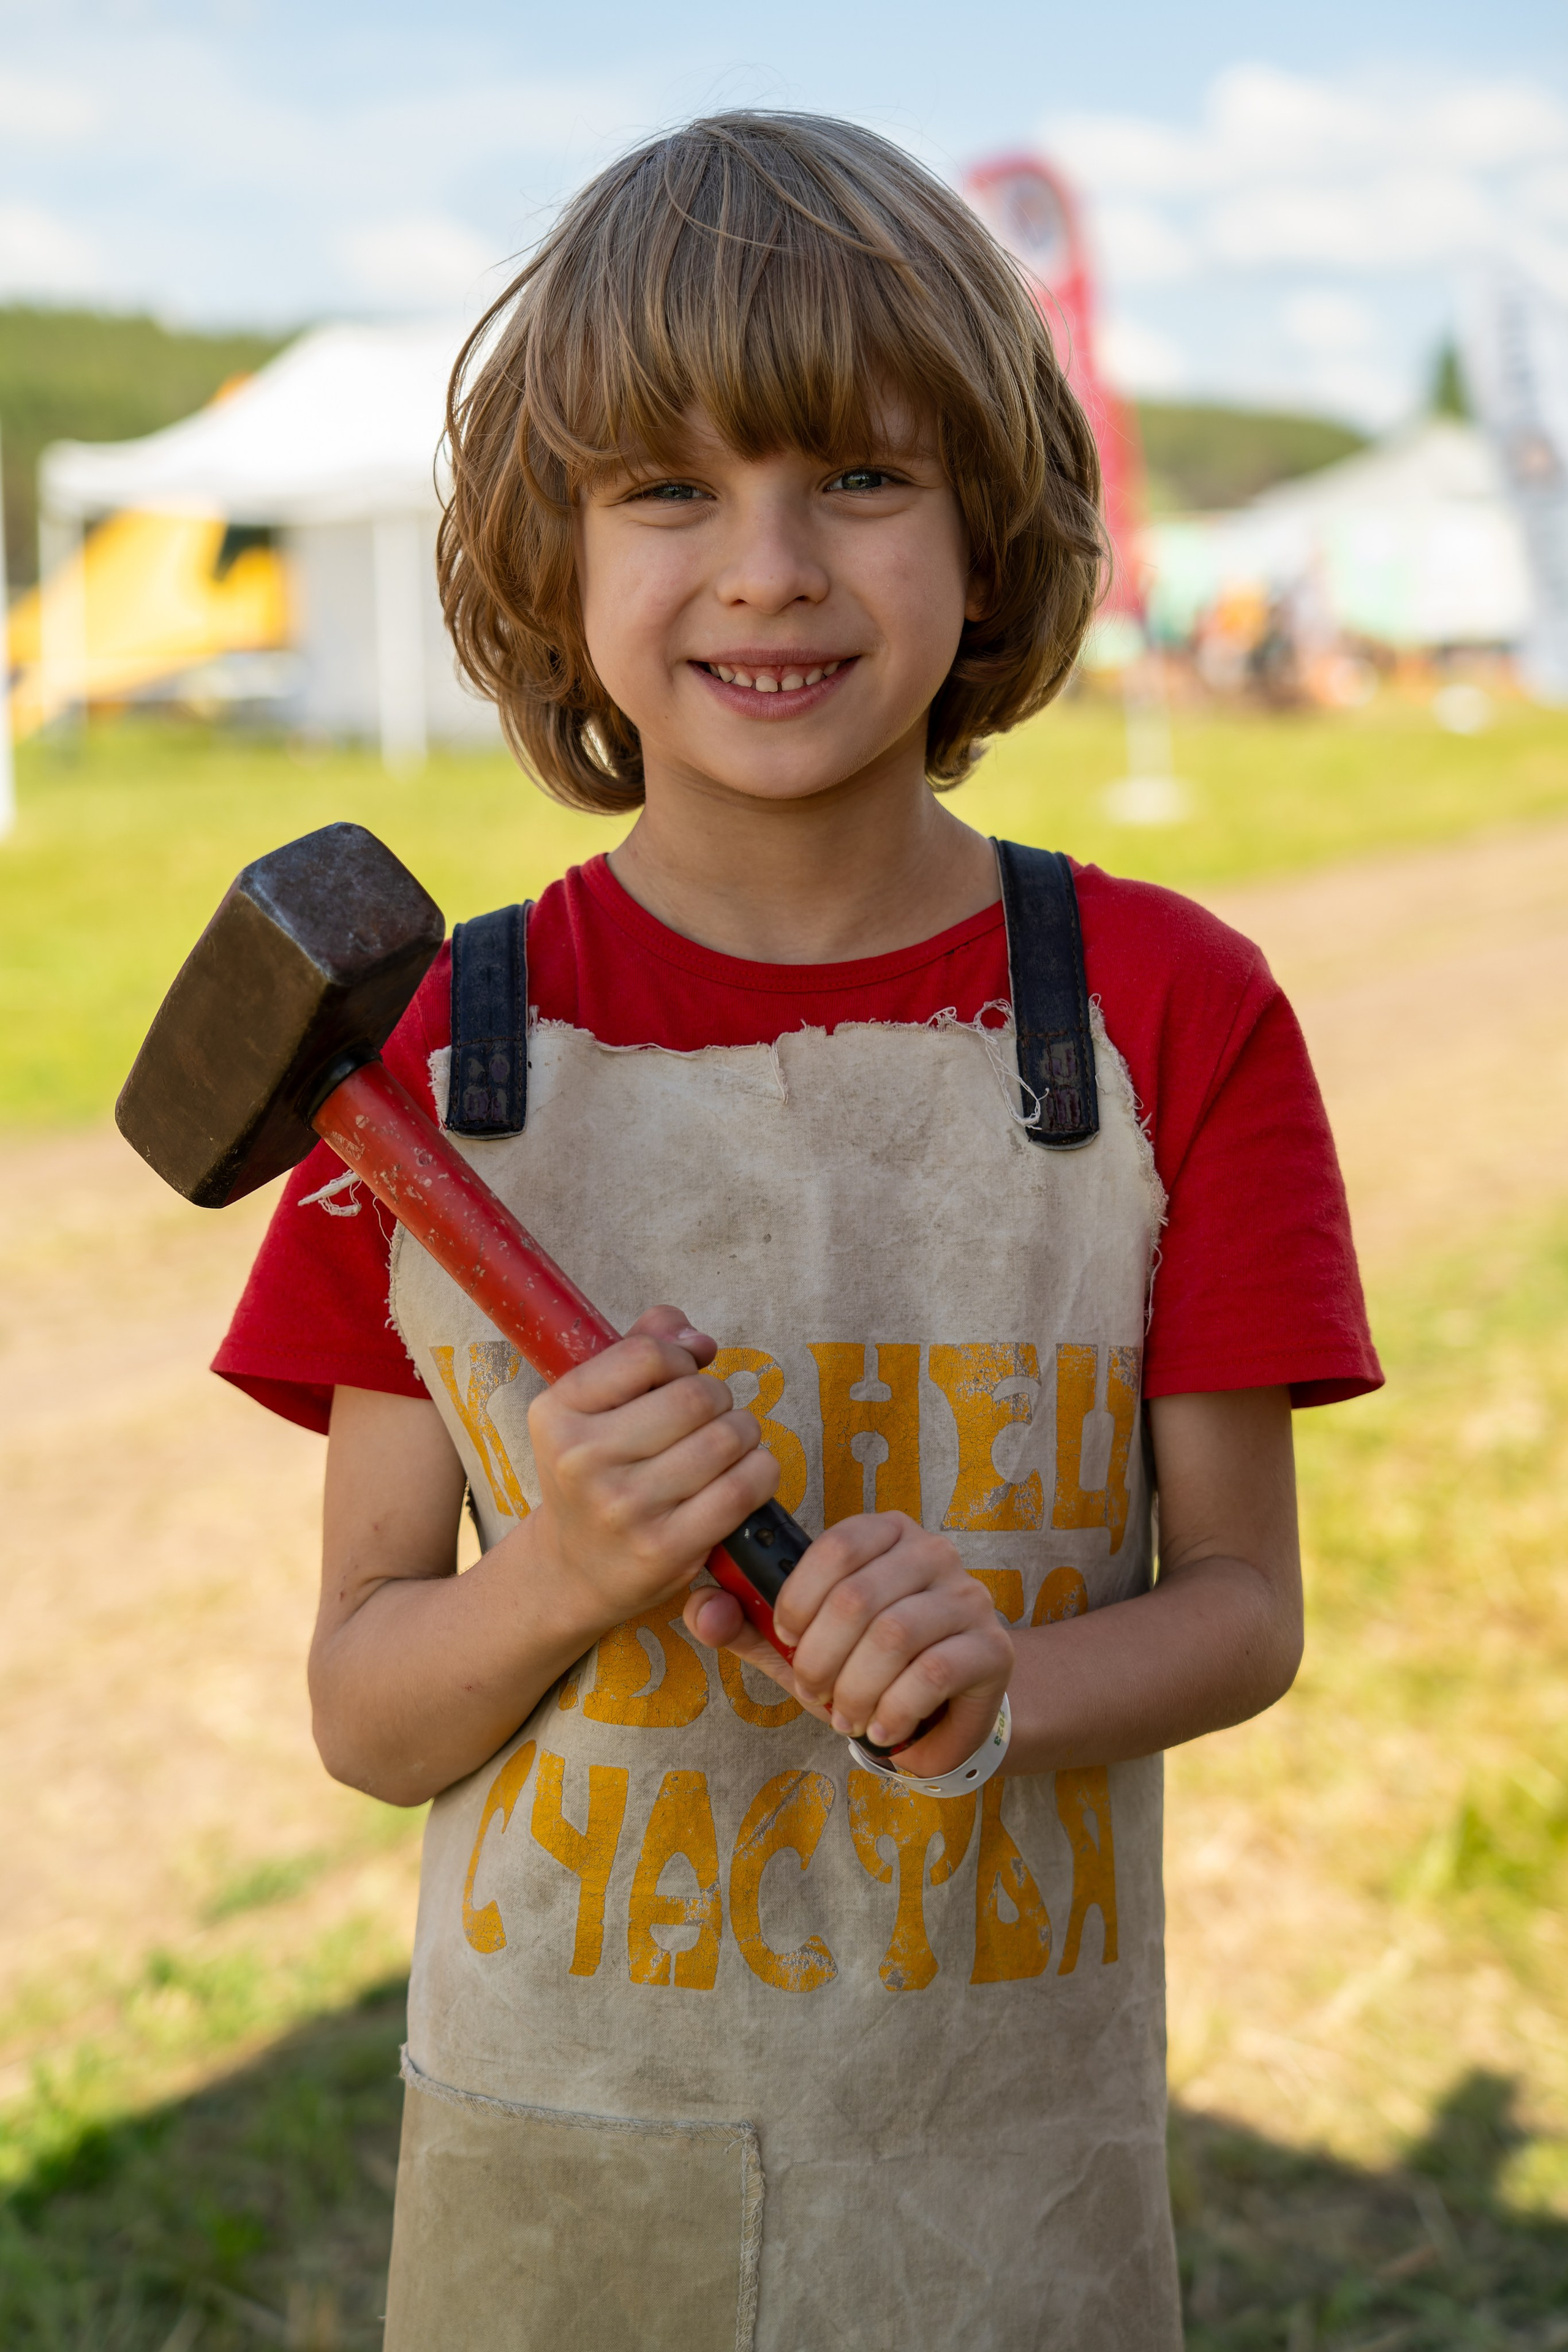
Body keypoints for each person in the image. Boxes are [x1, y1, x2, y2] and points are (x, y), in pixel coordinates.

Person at [216, 111, 1380, 2351]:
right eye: (667, 490)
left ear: (989, 531)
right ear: (548, 562)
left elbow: (1245, 1610)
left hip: (996, 2178)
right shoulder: (430, 1058)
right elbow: (368, 1706)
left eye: (857, 476)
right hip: (573, 2178)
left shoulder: (1167, 1020)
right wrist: (561, 1574)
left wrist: (1009, 1684)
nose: (766, 568)